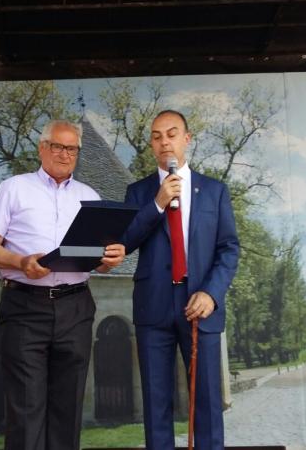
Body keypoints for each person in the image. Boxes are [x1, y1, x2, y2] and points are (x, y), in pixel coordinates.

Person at [0, 119, 126, 450]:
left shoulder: (90, 196)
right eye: (57, 146)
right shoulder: (13, 187)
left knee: (67, 409)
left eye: (71, 148)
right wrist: (21, 262)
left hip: (76, 307)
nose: (64, 154)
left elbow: (97, 260)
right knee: (26, 410)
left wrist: (110, 258)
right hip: (24, 306)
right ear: (42, 148)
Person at [122, 109, 239, 450]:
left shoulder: (215, 191)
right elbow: (125, 241)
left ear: (186, 139)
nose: (164, 142)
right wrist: (157, 204)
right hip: (153, 308)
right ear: (151, 145)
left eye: (171, 134)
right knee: (156, 405)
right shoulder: (138, 192)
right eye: (156, 136)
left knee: (206, 404)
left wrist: (211, 294)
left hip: (199, 307)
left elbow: (229, 249)